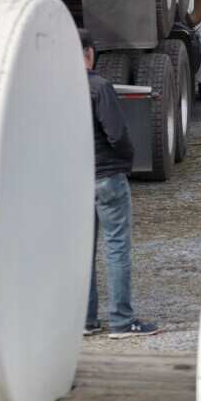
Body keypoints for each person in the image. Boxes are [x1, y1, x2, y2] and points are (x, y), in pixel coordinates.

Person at [81, 29, 160, 338]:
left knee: (82, 252)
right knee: (116, 248)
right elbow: (116, 133)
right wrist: (128, 159)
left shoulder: (55, 88)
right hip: (107, 176)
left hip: (75, 182)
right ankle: (121, 321)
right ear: (89, 53)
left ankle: (86, 320)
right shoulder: (99, 88)